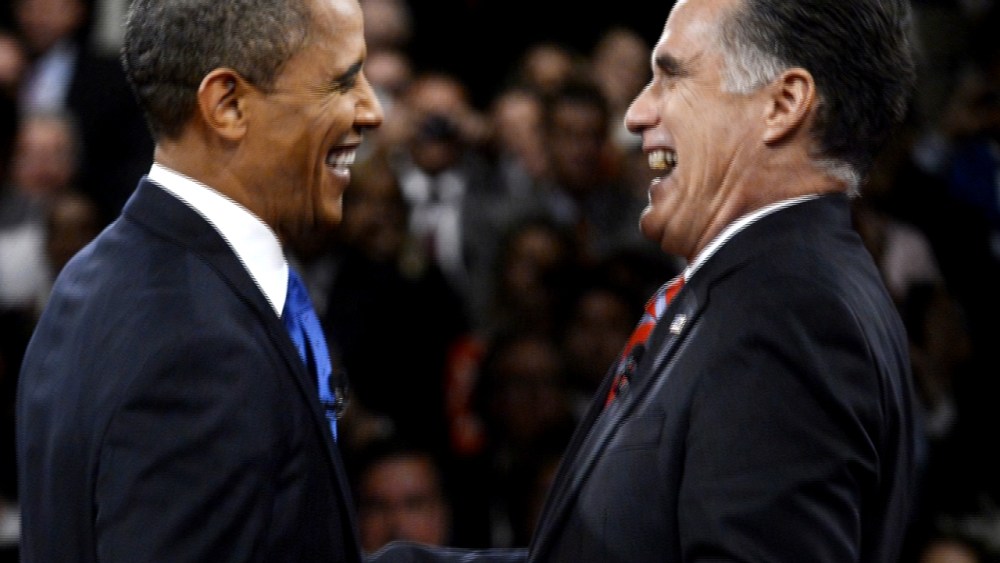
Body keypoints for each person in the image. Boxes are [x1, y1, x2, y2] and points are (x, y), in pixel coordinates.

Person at [527, 0, 920, 560]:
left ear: (782, 105)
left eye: (672, 77)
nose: (636, 113)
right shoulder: (766, 287)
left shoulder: (789, 314)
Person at [15, 0, 391, 559]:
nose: (371, 110)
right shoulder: (199, 348)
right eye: (341, 81)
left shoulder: (93, 278)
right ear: (228, 105)